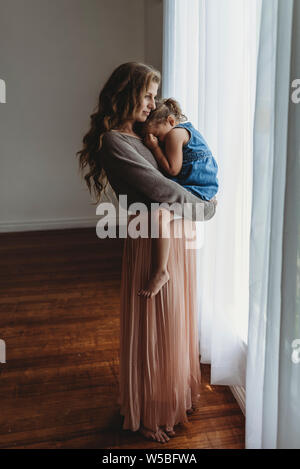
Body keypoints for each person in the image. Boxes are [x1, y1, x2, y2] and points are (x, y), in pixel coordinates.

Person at [77, 62, 217, 444]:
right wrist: (204, 207)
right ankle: (151, 413)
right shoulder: (114, 142)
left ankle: (174, 397)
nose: (153, 103)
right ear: (127, 94)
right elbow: (159, 189)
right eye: (148, 95)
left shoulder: (141, 133)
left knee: (176, 322)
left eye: (156, 96)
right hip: (152, 238)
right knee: (156, 327)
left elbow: (178, 169)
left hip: (173, 234)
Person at [137, 98, 219, 299]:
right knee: (157, 211)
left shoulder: (175, 135)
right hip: (198, 191)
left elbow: (173, 169)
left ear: (171, 122)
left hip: (198, 194)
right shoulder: (184, 130)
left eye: (156, 135)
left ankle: (161, 270)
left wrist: (155, 148)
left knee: (160, 215)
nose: (155, 140)